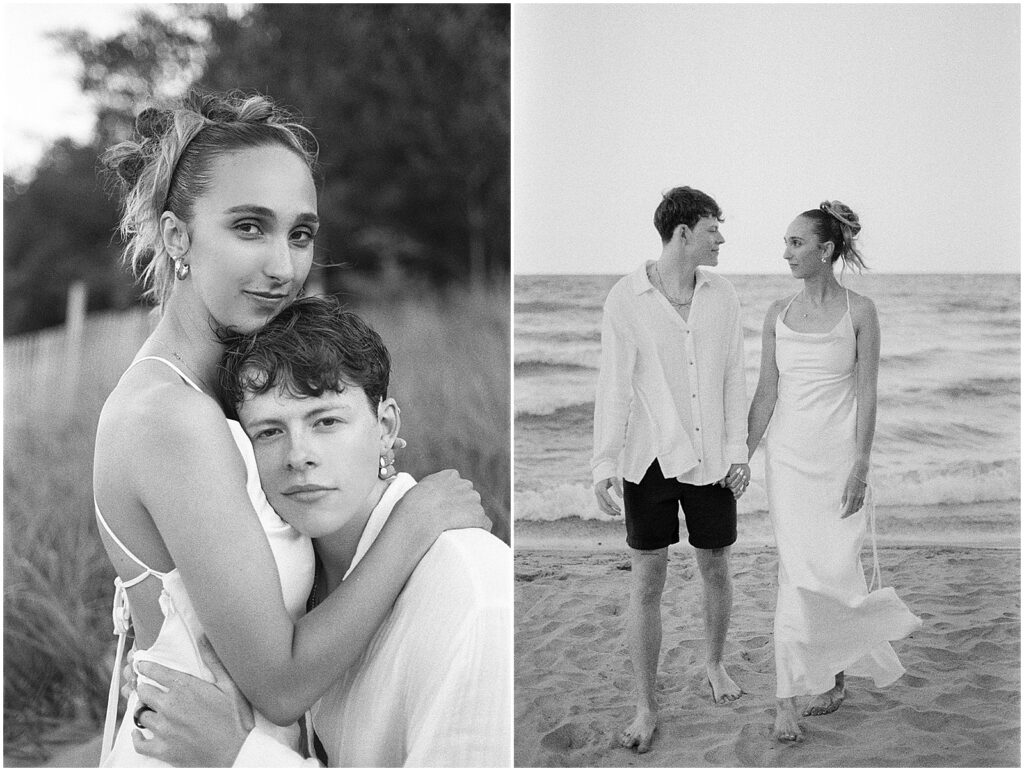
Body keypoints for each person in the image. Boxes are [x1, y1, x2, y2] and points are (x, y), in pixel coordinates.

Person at [94, 90, 488, 766]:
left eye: (299, 233)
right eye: (250, 227)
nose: (284, 266)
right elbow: (279, 681)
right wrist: (413, 525)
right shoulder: (171, 416)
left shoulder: (223, 394)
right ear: (177, 236)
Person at [126, 296, 511, 767]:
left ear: (385, 426)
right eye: (268, 432)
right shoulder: (282, 579)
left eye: (326, 421)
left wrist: (237, 754)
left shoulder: (473, 597)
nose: (298, 456)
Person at [745, 201, 922, 743]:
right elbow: (766, 394)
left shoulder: (860, 312)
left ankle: (834, 675)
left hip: (839, 461)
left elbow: (867, 396)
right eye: (786, 243)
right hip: (789, 463)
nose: (786, 253)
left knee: (837, 570)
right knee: (795, 574)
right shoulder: (777, 313)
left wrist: (862, 466)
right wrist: (739, 458)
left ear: (826, 250)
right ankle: (786, 699)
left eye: (796, 243)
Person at [591, 186, 750, 754]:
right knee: (647, 580)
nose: (721, 238)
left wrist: (739, 453)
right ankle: (644, 703)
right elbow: (614, 385)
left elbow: (735, 378)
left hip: (711, 460)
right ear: (684, 232)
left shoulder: (723, 295)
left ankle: (713, 662)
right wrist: (603, 462)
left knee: (716, 566)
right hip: (648, 461)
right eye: (714, 228)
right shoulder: (626, 297)